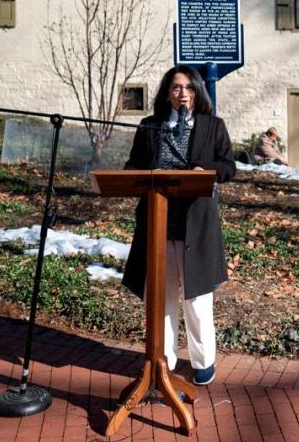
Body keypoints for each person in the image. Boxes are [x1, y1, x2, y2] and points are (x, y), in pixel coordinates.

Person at [122, 65, 236, 386]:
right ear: (166, 93)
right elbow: (134, 165)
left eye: (187, 87)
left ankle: (203, 361)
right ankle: (165, 359)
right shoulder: (150, 127)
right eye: (175, 87)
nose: (182, 93)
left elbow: (229, 167)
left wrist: (206, 169)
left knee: (197, 300)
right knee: (162, 297)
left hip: (195, 224)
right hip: (157, 222)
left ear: (197, 92)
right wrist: (129, 176)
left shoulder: (213, 127)